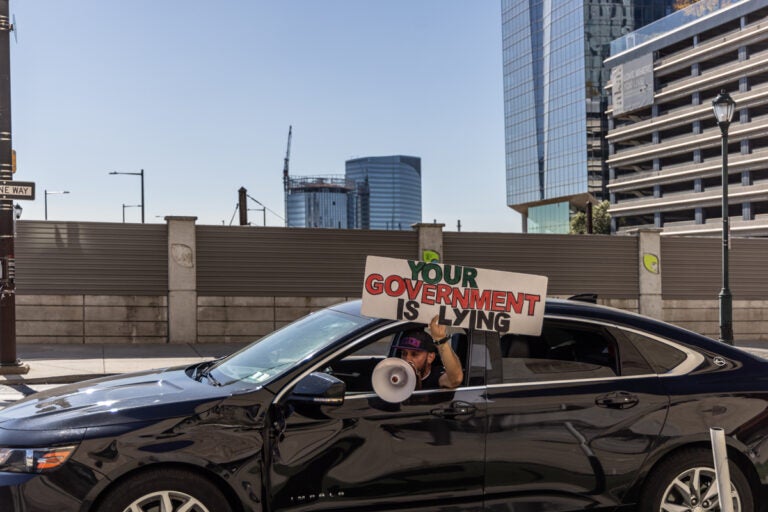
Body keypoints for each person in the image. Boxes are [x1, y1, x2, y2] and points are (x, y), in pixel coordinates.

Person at [394, 316, 464, 389]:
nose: (407, 359)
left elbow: (456, 379)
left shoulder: (436, 375)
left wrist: (440, 339)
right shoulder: (395, 373)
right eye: (404, 354)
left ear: (430, 357)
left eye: (414, 354)